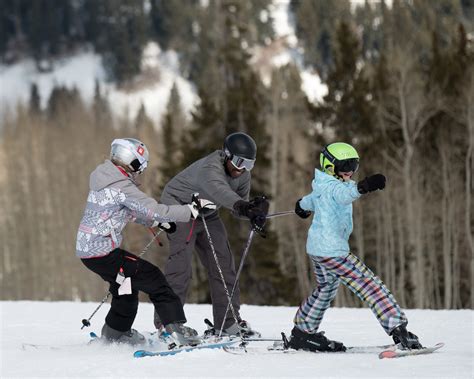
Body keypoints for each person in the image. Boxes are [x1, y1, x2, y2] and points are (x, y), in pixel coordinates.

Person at [288, 142, 423, 352]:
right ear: (330, 166)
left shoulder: (321, 184)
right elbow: (345, 194)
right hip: (333, 252)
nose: (350, 171)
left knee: (326, 289)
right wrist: (364, 186)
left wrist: (300, 206)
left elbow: (310, 201)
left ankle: (303, 333)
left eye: (354, 165)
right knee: (369, 285)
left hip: (318, 250)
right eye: (345, 165)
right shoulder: (336, 187)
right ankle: (399, 330)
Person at [76, 138, 206, 346]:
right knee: (154, 278)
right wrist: (189, 211)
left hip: (89, 252)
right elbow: (154, 208)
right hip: (103, 253)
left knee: (125, 287)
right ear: (132, 162)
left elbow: (125, 212)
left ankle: (115, 332)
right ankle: (176, 329)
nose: (140, 171)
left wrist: (157, 222)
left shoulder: (104, 178)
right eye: (140, 166)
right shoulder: (120, 186)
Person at [154, 132, 269, 337]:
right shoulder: (210, 168)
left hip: (207, 212)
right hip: (179, 207)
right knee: (181, 266)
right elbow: (221, 192)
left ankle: (227, 321)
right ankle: (168, 323)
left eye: (249, 164)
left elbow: (237, 207)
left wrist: (254, 211)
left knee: (224, 265)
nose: (242, 169)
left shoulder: (242, 175)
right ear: (226, 155)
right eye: (239, 162)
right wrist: (244, 206)